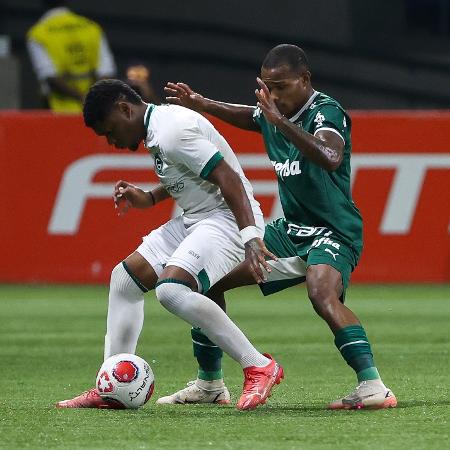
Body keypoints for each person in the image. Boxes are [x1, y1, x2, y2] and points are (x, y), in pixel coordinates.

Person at [161, 44, 397, 410]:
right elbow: (250, 115)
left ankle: (373, 387)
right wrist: (204, 104)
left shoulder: (325, 111)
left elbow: (331, 157)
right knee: (204, 283)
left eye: (282, 86)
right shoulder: (272, 113)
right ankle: (210, 384)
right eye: (268, 87)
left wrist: (280, 123)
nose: (273, 96)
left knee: (321, 293)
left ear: (305, 79)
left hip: (334, 230)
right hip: (291, 232)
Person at [55, 79, 283, 411]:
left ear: (124, 109)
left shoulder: (172, 130)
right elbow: (186, 173)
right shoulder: (158, 128)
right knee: (124, 279)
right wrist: (148, 197)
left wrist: (250, 237)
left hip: (227, 219)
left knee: (171, 291)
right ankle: (109, 386)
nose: (111, 141)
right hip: (197, 217)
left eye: (109, 130)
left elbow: (228, 178)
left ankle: (258, 365)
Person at [27, 0, 116, 113]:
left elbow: (49, 76)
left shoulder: (38, 33)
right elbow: (106, 71)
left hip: (58, 112)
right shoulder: (91, 27)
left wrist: (80, 97)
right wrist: (93, 98)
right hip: (95, 112)